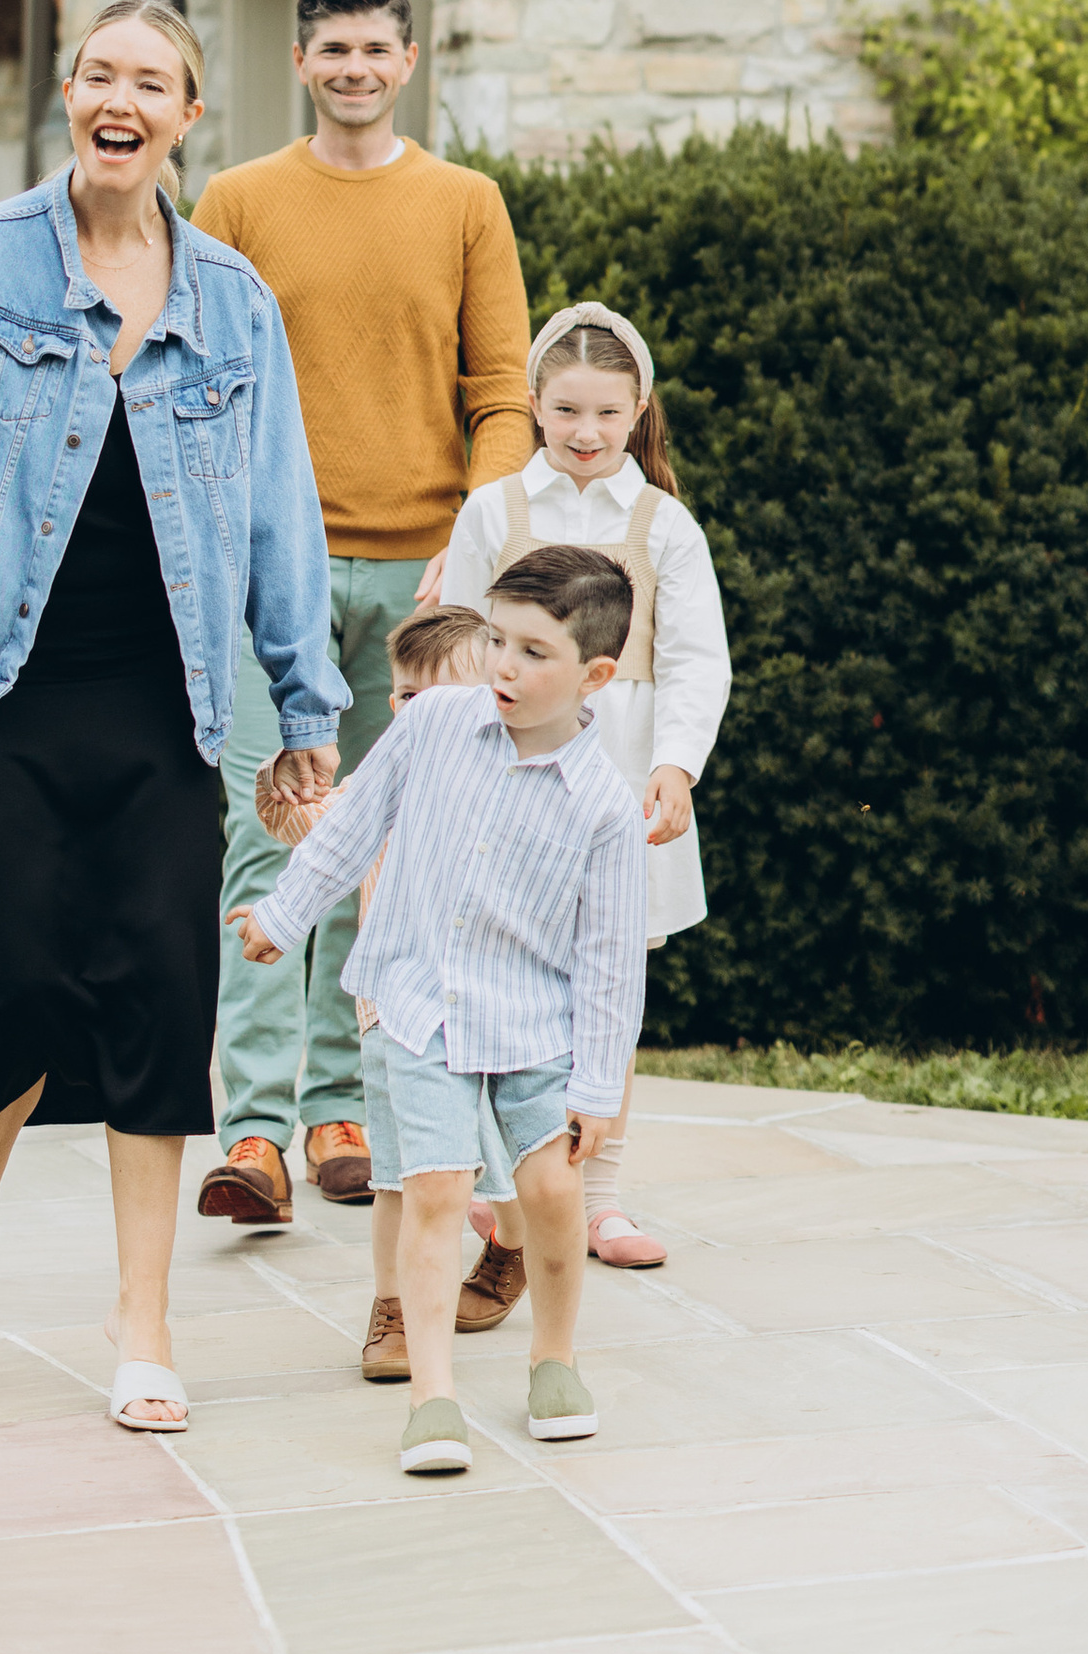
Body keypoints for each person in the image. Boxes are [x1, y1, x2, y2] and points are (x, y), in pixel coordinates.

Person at [0, 0, 343, 1435]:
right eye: (101, 74)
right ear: (69, 96)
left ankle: (144, 1314)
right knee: (5, 979)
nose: (123, 99)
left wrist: (303, 703)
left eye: (154, 83)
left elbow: (277, 520)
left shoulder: (233, 301)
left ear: (189, 119)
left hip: (162, 689)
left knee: (158, 993)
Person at [188, 0, 534, 1230]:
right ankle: (253, 1135)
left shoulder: (463, 204)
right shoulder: (235, 202)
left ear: (407, 61)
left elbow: (504, 395)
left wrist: (468, 540)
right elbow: (192, 380)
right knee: (265, 828)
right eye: (331, 50)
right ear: (299, 62)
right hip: (258, 576)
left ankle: (340, 1106)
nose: (352, 69)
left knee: (380, 843)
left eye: (373, 50)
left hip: (420, 582)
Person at [231, 544, 645, 1475]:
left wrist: (596, 1085)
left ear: (596, 673)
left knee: (548, 1193)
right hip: (417, 1006)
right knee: (438, 1190)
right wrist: (283, 915)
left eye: (535, 652)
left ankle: (555, 1361)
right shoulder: (434, 727)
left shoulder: (605, 810)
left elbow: (613, 964)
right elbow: (352, 825)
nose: (504, 665)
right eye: (498, 640)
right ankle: (433, 1396)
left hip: (536, 1025)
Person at [436, 301, 730, 1272]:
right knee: (499, 981)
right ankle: (494, 1187)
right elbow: (456, 646)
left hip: (616, 784)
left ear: (639, 408)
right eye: (566, 411)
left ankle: (599, 1199)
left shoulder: (661, 525)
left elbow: (695, 659)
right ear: (532, 403)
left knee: (605, 986)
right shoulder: (496, 514)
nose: (586, 433)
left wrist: (673, 764)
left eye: (608, 413)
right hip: (509, 783)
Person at [253, 599, 529, 1375]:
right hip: (394, 1017)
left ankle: (513, 1241)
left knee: (502, 1159)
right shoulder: (379, 791)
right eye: (405, 695)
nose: (415, 712)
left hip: (493, 1015)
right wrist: (290, 776)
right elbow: (295, 823)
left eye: (437, 697)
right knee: (399, 1176)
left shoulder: (514, 789)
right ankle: (395, 1311)